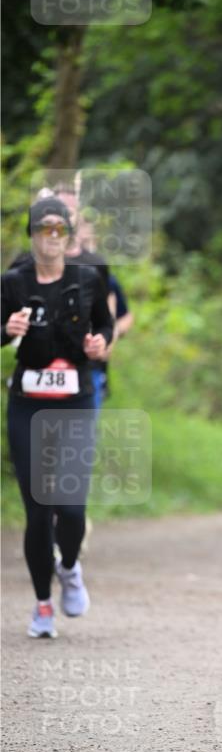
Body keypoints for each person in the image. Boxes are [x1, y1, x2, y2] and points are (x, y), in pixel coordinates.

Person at [1, 196, 113, 638]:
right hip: (28, 403)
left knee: (69, 506)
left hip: (76, 402)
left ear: (67, 236)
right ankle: (42, 606)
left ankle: (68, 567)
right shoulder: (12, 282)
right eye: (42, 228)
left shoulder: (88, 278)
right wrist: (6, 330)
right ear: (31, 235)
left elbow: (104, 326)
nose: (50, 236)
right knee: (37, 508)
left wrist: (99, 345)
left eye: (58, 229)